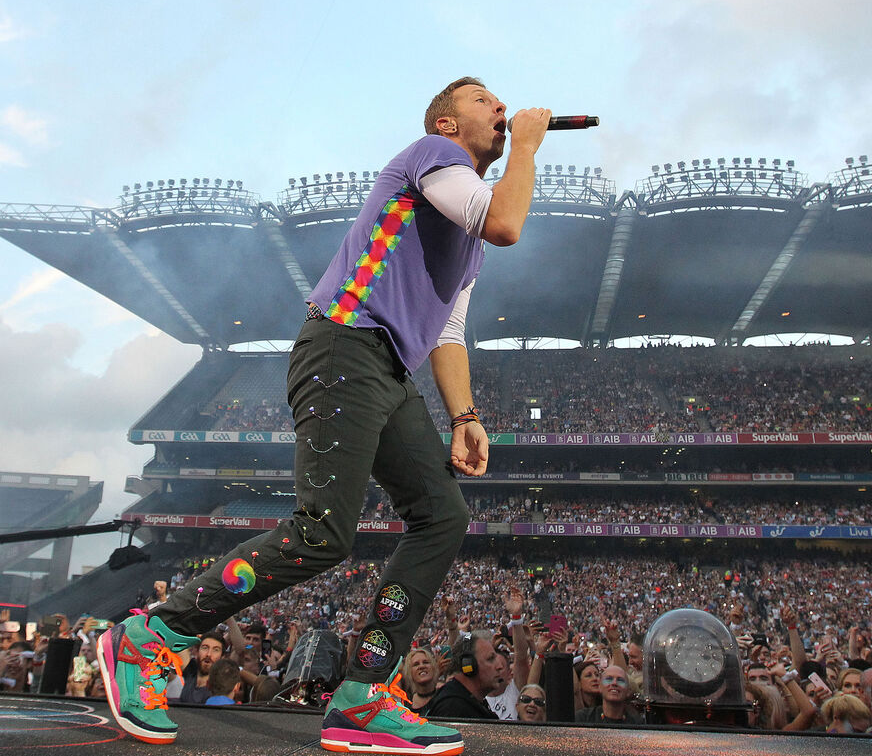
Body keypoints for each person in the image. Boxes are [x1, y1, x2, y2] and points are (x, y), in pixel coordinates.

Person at [97, 77, 550, 754]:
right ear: (448, 124)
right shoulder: (432, 153)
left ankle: (364, 694)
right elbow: (509, 220)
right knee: (323, 532)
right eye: (484, 100)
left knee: (443, 514)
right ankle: (150, 634)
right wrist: (529, 150)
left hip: (389, 366)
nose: (501, 109)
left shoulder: (468, 240)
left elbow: (449, 333)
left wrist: (465, 416)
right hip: (345, 338)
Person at [425, 632, 507, 719]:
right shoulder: (453, 708)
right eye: (490, 659)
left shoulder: (471, 702)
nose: (500, 666)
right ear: (468, 664)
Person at [575, 664, 642, 725]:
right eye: (609, 679)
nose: (614, 683)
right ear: (600, 687)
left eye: (620, 680)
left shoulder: (637, 723)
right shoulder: (582, 718)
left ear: (628, 691)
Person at [177, 632, 226, 704]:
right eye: (205, 648)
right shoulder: (190, 670)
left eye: (216, 650)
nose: (209, 654)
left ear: (222, 657)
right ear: (197, 652)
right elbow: (178, 641)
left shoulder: (221, 687)